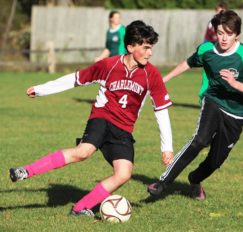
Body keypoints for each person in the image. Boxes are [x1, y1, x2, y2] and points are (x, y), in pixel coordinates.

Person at [9, 20, 174, 217]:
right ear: (130, 47)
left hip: (124, 129)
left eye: (151, 48)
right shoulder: (108, 65)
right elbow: (75, 79)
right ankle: (25, 171)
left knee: (124, 174)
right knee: (83, 152)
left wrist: (167, 147)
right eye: (146, 48)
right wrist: (41, 90)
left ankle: (80, 208)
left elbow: (161, 110)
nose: (150, 53)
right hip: (102, 118)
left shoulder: (152, 75)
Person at [147, 10, 243, 201]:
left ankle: (194, 180)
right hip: (213, 101)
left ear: (237, 35)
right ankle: (163, 182)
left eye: (228, 33)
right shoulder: (207, 50)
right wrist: (164, 79)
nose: (224, 38)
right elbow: (188, 63)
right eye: (220, 33)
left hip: (236, 114)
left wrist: (235, 84)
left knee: (215, 161)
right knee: (199, 140)